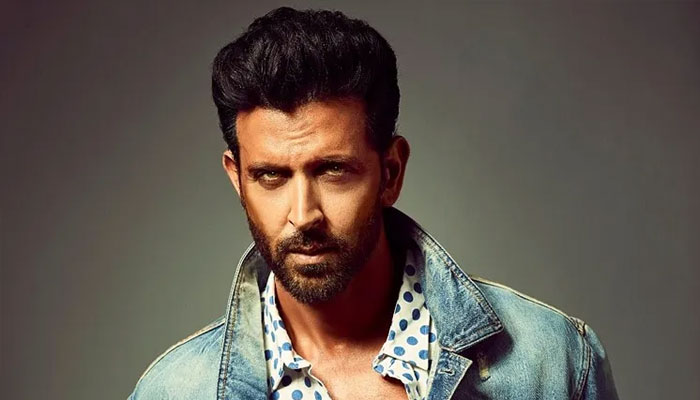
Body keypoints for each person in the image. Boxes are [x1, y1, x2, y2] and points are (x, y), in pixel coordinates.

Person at [129, 7, 618, 400]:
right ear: (238, 180)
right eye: (271, 176)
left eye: (333, 171)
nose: (303, 214)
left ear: (391, 172)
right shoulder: (174, 391)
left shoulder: (552, 361)